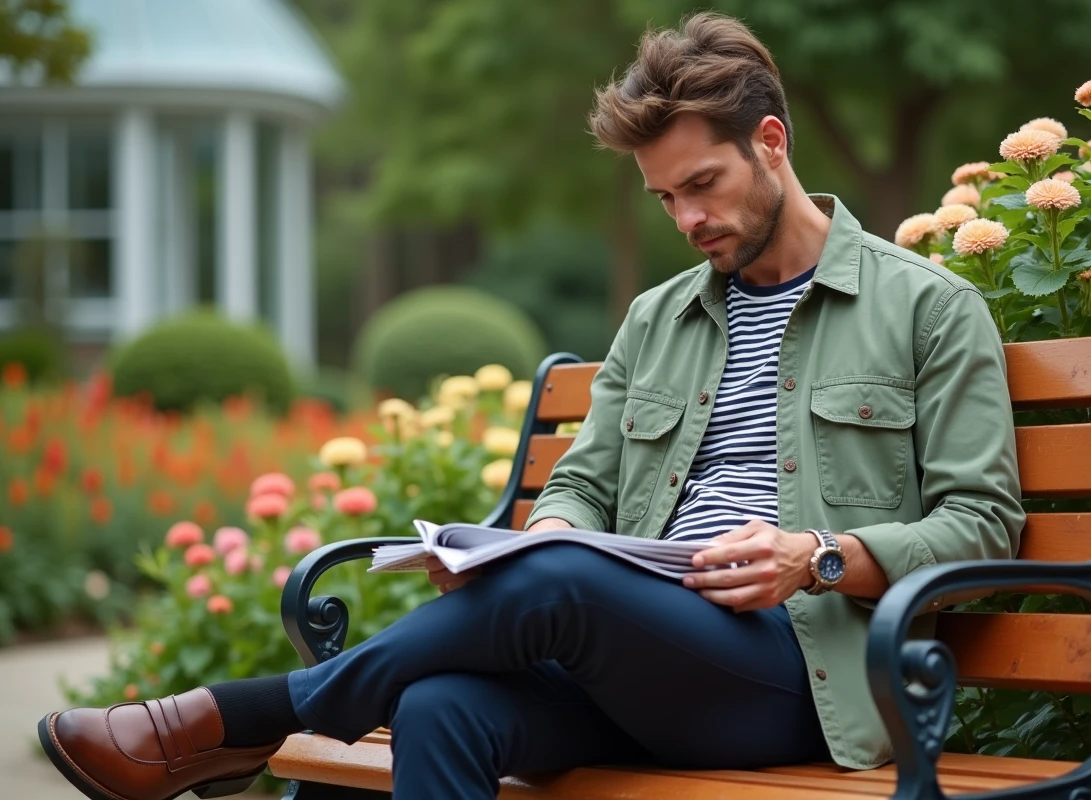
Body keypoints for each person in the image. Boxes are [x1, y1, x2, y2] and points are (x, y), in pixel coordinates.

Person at [38, 11, 1024, 800]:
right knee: (443, 709)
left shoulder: (927, 306)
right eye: (664, 200)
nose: (687, 219)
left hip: (808, 674)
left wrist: (814, 556)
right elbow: (584, 486)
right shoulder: (657, 318)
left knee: (561, 582)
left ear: (771, 142)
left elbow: (984, 528)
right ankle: (243, 723)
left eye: (703, 185)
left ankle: (236, 718)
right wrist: (522, 544)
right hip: (639, 648)